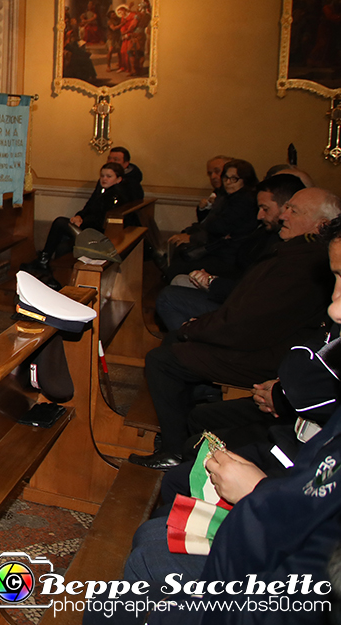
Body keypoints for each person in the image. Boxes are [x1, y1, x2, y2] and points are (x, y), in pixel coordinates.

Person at [93, 218, 341, 624]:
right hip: (284, 452)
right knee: (158, 528)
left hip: (285, 580)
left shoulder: (299, 267)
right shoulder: (286, 253)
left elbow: (318, 569)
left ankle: (176, 454)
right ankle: (178, 456)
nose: (334, 304)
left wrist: (258, 493)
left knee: (152, 556)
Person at [130, 187, 341, 469]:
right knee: (174, 342)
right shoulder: (296, 251)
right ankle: (181, 427)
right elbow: (247, 308)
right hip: (256, 339)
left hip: (265, 352)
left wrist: (194, 329)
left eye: (294, 211)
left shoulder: (303, 262)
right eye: (286, 207)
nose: (283, 215)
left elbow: (250, 323)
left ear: (321, 225)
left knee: (162, 360)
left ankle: (173, 450)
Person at [155, 173, 305, 332]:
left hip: (244, 312)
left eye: (264, 208)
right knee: (178, 277)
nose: (260, 215)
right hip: (236, 288)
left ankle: (190, 341)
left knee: (168, 296)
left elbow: (253, 293)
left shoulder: (286, 243)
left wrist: (212, 282)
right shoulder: (271, 234)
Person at [25, 161, 129, 290]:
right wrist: (79, 216)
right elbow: (88, 208)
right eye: (102, 176)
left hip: (98, 237)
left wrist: (82, 222)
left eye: (109, 176)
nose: (104, 179)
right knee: (63, 245)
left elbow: (101, 220)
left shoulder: (115, 195)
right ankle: (55, 277)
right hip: (89, 230)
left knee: (60, 222)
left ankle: (43, 261)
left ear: (118, 179)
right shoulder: (102, 190)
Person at [161, 158, 260, 279]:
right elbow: (211, 223)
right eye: (226, 178)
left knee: (178, 267)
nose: (228, 182)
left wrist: (214, 219)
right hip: (222, 249)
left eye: (234, 179)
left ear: (245, 180)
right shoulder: (229, 197)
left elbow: (218, 227)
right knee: (181, 256)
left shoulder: (244, 200)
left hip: (230, 257)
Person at [196, 155, 231, 221]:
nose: (212, 177)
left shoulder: (238, 196)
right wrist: (202, 208)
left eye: (217, 172)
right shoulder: (217, 192)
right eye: (210, 173)